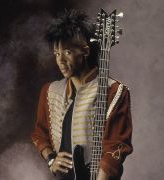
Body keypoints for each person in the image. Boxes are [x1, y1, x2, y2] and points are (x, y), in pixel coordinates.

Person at [31, 9, 133, 180]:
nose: (60, 60)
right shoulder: (50, 91)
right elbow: (39, 134)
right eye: (57, 54)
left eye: (67, 52)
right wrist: (51, 159)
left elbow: (115, 146)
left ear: (85, 51)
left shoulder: (114, 91)